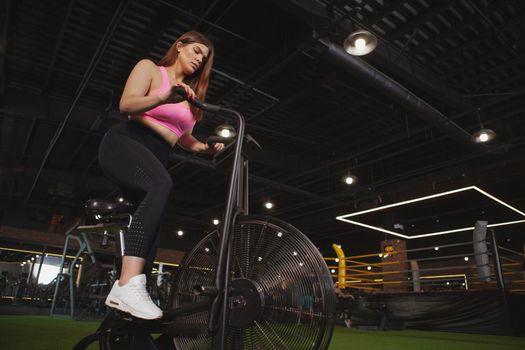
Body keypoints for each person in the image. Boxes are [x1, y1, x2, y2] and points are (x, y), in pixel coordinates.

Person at [99, 31, 223, 320]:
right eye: (194, 51)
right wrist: (164, 96)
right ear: (179, 47)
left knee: (153, 228)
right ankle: (127, 283)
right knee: (162, 183)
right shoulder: (152, 70)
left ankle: (125, 312)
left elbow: (183, 138)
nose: (197, 60)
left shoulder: (189, 98)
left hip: (156, 156)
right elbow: (127, 105)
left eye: (202, 59)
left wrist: (207, 148)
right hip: (125, 143)